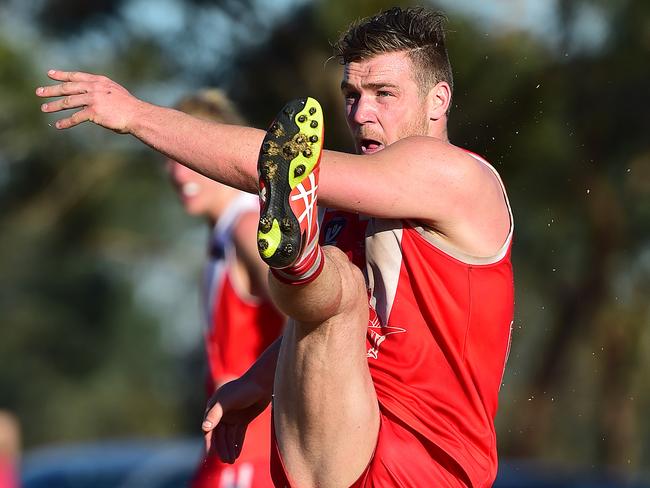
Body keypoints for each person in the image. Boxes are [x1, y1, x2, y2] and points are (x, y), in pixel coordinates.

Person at [36, 7, 514, 487]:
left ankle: (298, 262)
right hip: (328, 445)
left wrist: (137, 115)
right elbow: (330, 334)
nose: (360, 113)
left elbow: (270, 162)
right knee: (334, 284)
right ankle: (298, 261)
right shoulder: (345, 205)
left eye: (383, 94)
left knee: (337, 281)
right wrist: (254, 383)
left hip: (425, 463)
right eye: (351, 95)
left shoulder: (457, 176)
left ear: (438, 100)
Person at [167, 90, 284, 488]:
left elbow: (309, 322)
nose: (178, 173)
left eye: (188, 158)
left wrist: (254, 385)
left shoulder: (246, 229)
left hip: (255, 455)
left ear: (219, 156)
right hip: (231, 452)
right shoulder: (224, 235)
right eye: (170, 158)